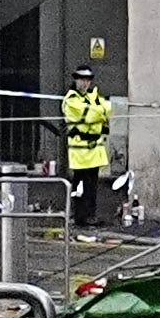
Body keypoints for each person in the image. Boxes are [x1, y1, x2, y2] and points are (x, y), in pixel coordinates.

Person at [59, 70, 121, 232]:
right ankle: (80, 217)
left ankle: (90, 216)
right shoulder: (71, 99)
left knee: (92, 186)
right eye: (82, 80)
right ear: (76, 80)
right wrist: (98, 110)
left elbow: (108, 110)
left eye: (87, 80)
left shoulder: (93, 96)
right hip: (80, 152)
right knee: (80, 186)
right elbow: (91, 115)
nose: (85, 83)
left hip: (94, 151)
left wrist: (98, 110)